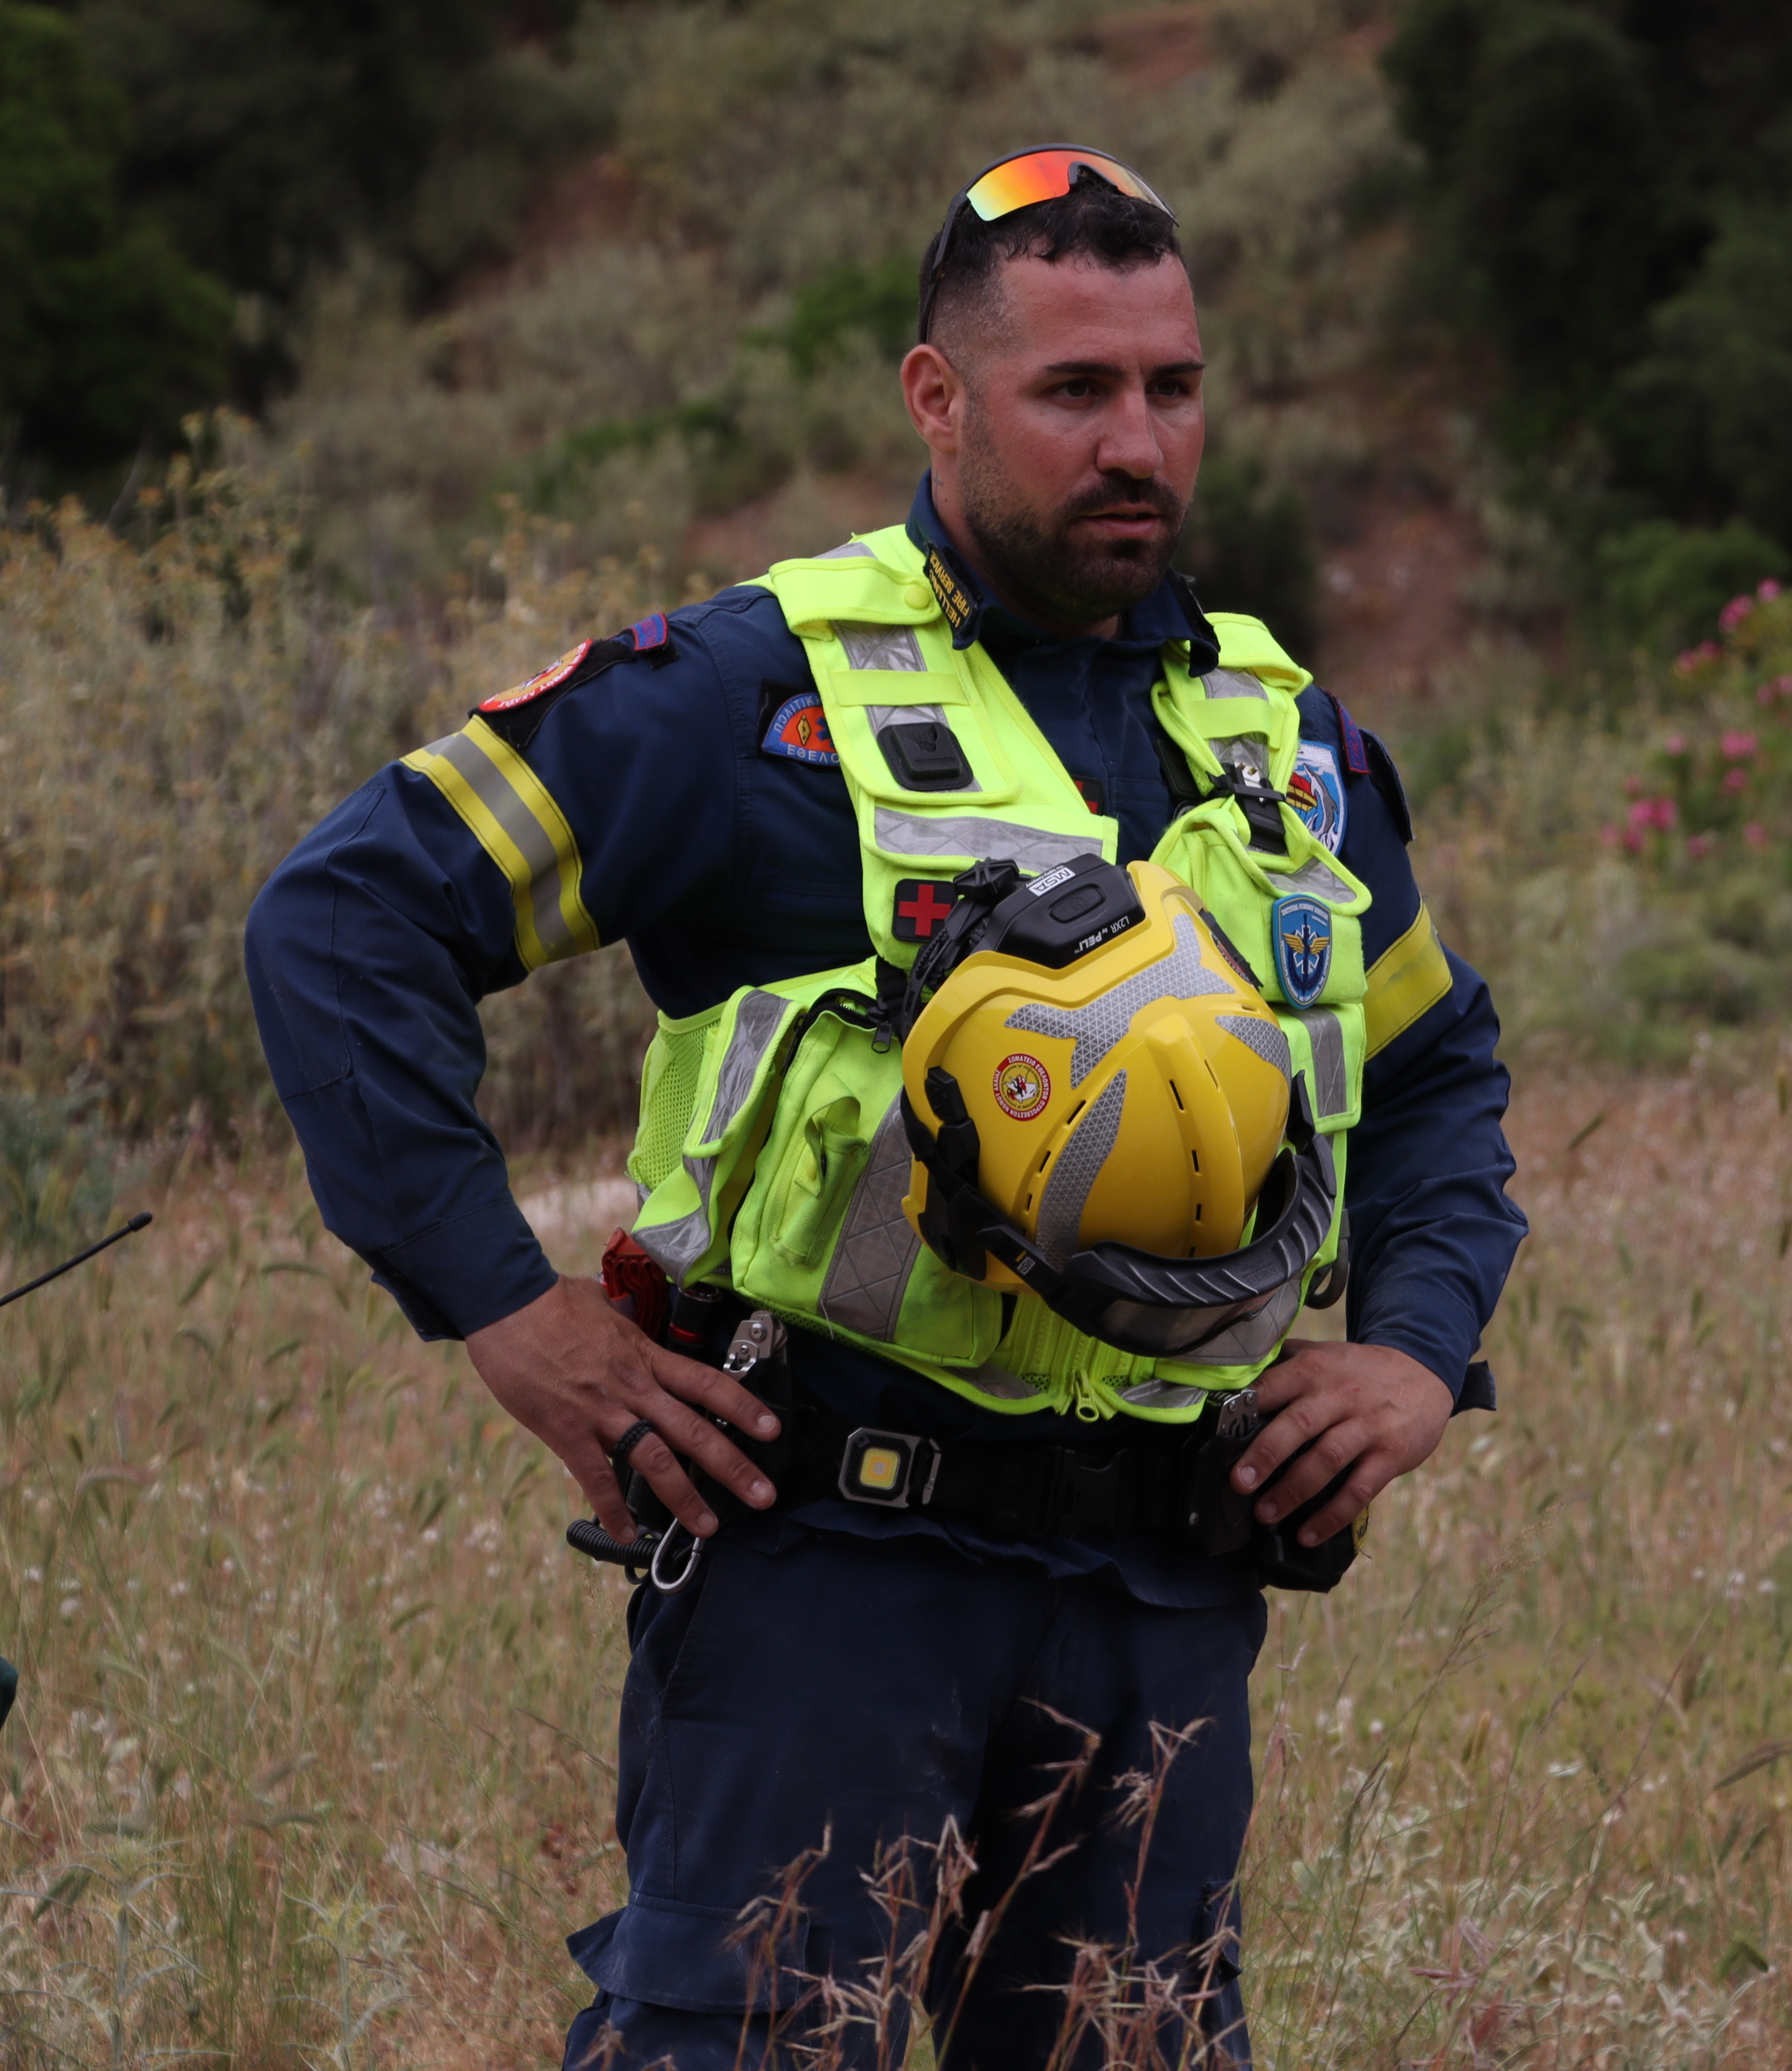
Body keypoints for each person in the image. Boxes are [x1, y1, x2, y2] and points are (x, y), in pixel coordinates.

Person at [247, 145, 1523, 2068]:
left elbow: (1433, 1071)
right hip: (825, 1573)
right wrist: (510, 1319)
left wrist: (1414, 1358)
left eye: (1172, 389)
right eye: (1073, 391)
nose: (1139, 446)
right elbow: (344, 919)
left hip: (1165, 1599)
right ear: (938, 399)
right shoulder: (756, 698)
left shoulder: (1284, 745)